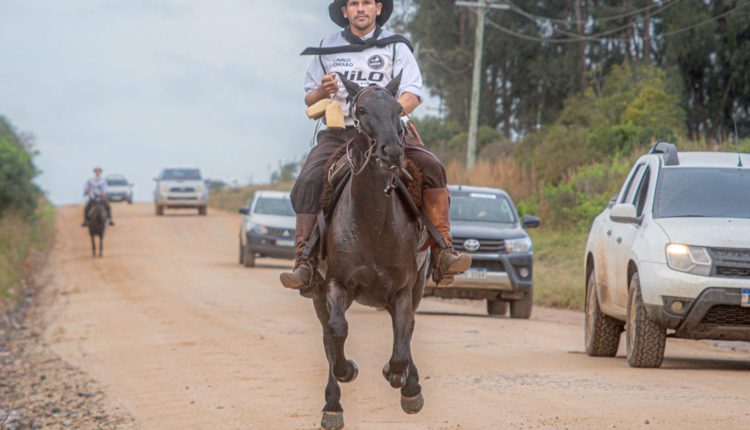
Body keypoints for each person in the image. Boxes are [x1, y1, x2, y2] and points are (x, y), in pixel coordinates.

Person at [280, 0, 471, 290]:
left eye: (366, 3)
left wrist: (389, 114)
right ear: (344, 11)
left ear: (378, 8)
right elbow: (309, 98)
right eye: (353, 4)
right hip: (340, 131)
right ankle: (304, 262)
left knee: (432, 167)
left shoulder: (396, 47)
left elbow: (413, 93)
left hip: (390, 130)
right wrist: (322, 90)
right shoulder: (326, 48)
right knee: (308, 179)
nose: (360, 9)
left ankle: (443, 252)